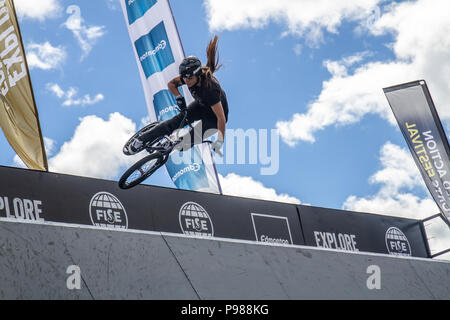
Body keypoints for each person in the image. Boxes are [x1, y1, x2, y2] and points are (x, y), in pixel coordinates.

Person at [127, 35, 228, 156]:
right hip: (201, 105)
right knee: (174, 123)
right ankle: (141, 139)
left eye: (190, 78)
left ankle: (173, 143)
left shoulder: (210, 89)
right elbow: (171, 84)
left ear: (198, 75)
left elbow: (221, 118)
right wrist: (179, 98)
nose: (187, 81)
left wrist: (220, 141)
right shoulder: (187, 77)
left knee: (182, 145)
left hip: (213, 119)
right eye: (184, 78)